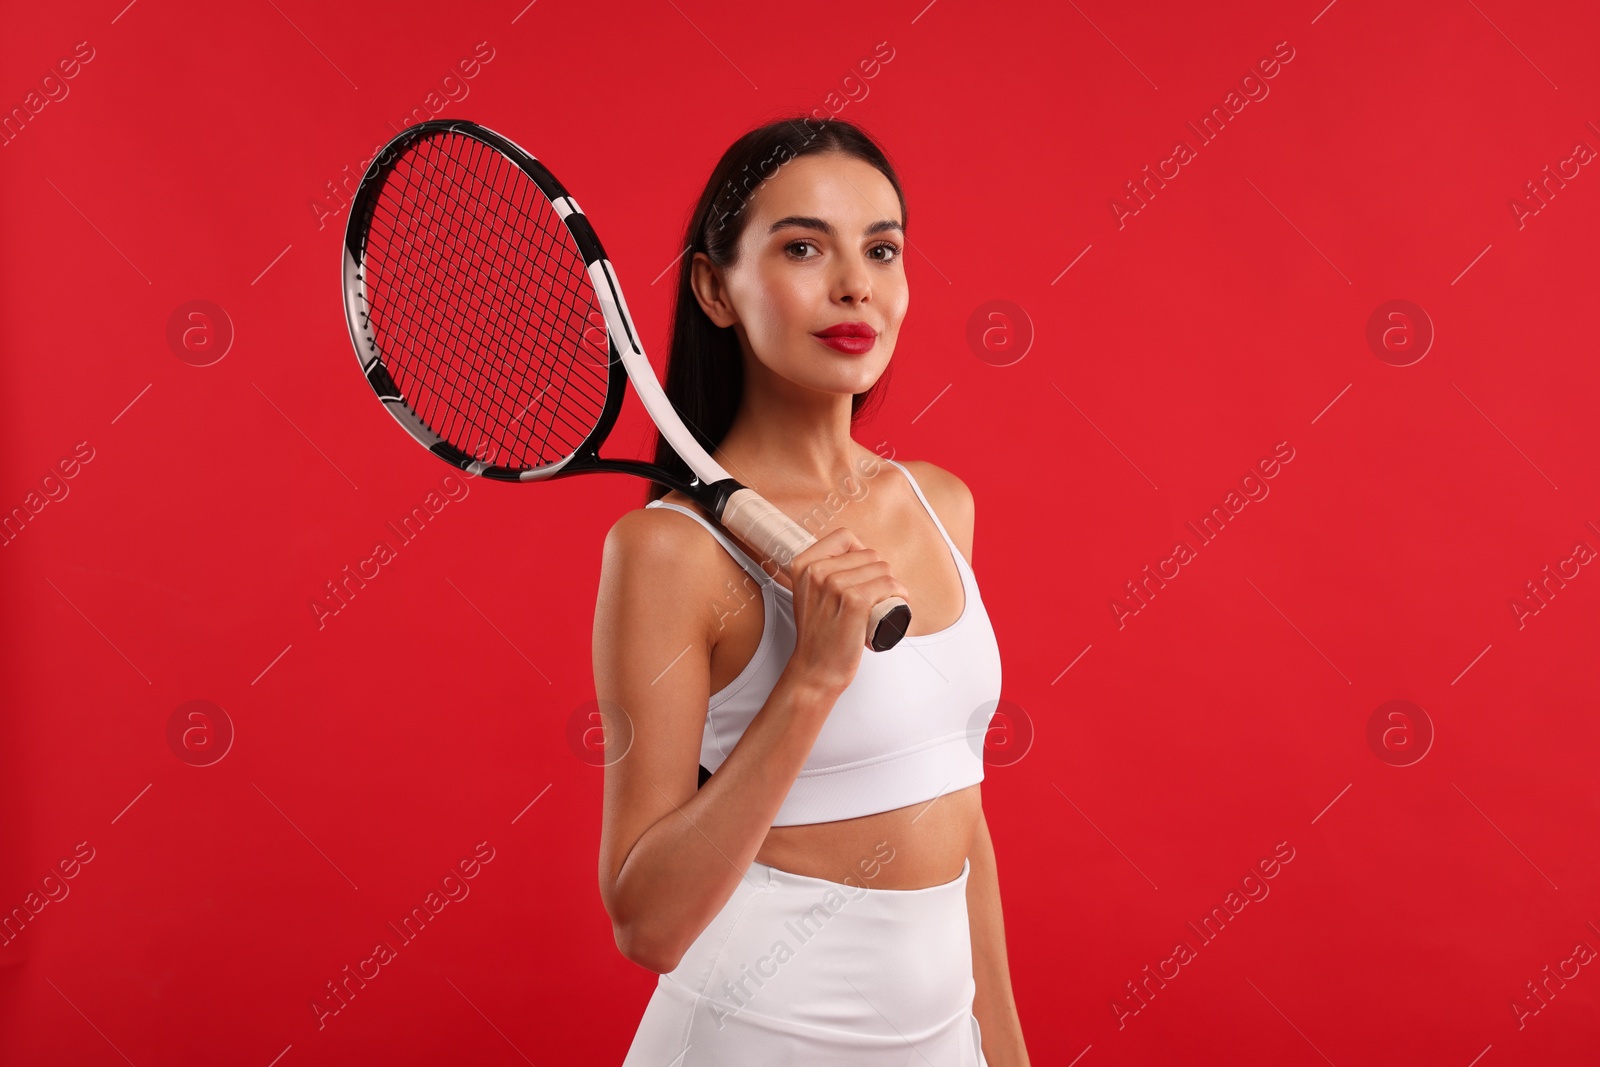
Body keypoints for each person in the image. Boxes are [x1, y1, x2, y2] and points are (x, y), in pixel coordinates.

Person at [592, 115, 1028, 1065]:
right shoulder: (667, 553)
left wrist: (1004, 1049)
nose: (854, 285)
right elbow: (648, 922)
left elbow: (959, 807)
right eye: (803, 247)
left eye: (882, 248)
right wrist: (811, 677)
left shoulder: (938, 503)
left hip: (939, 1040)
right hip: (753, 1034)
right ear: (715, 287)